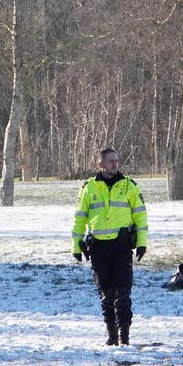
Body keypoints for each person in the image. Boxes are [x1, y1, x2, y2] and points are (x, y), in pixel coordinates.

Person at [71, 148, 148, 346]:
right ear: (101, 165)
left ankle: (125, 337)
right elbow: (80, 218)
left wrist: (141, 243)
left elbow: (140, 216)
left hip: (121, 247)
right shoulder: (89, 188)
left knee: (122, 295)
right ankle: (112, 336)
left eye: (117, 161)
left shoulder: (129, 186)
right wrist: (76, 246)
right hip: (98, 249)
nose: (115, 164)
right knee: (106, 296)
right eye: (110, 161)